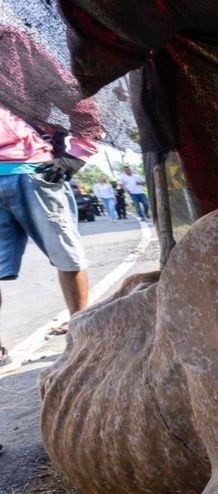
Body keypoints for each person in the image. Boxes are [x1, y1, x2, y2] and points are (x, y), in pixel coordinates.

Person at [0, 28, 101, 368]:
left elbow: (77, 99)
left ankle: (84, 332)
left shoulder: (12, 42)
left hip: (33, 169)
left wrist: (76, 155)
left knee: (66, 255)